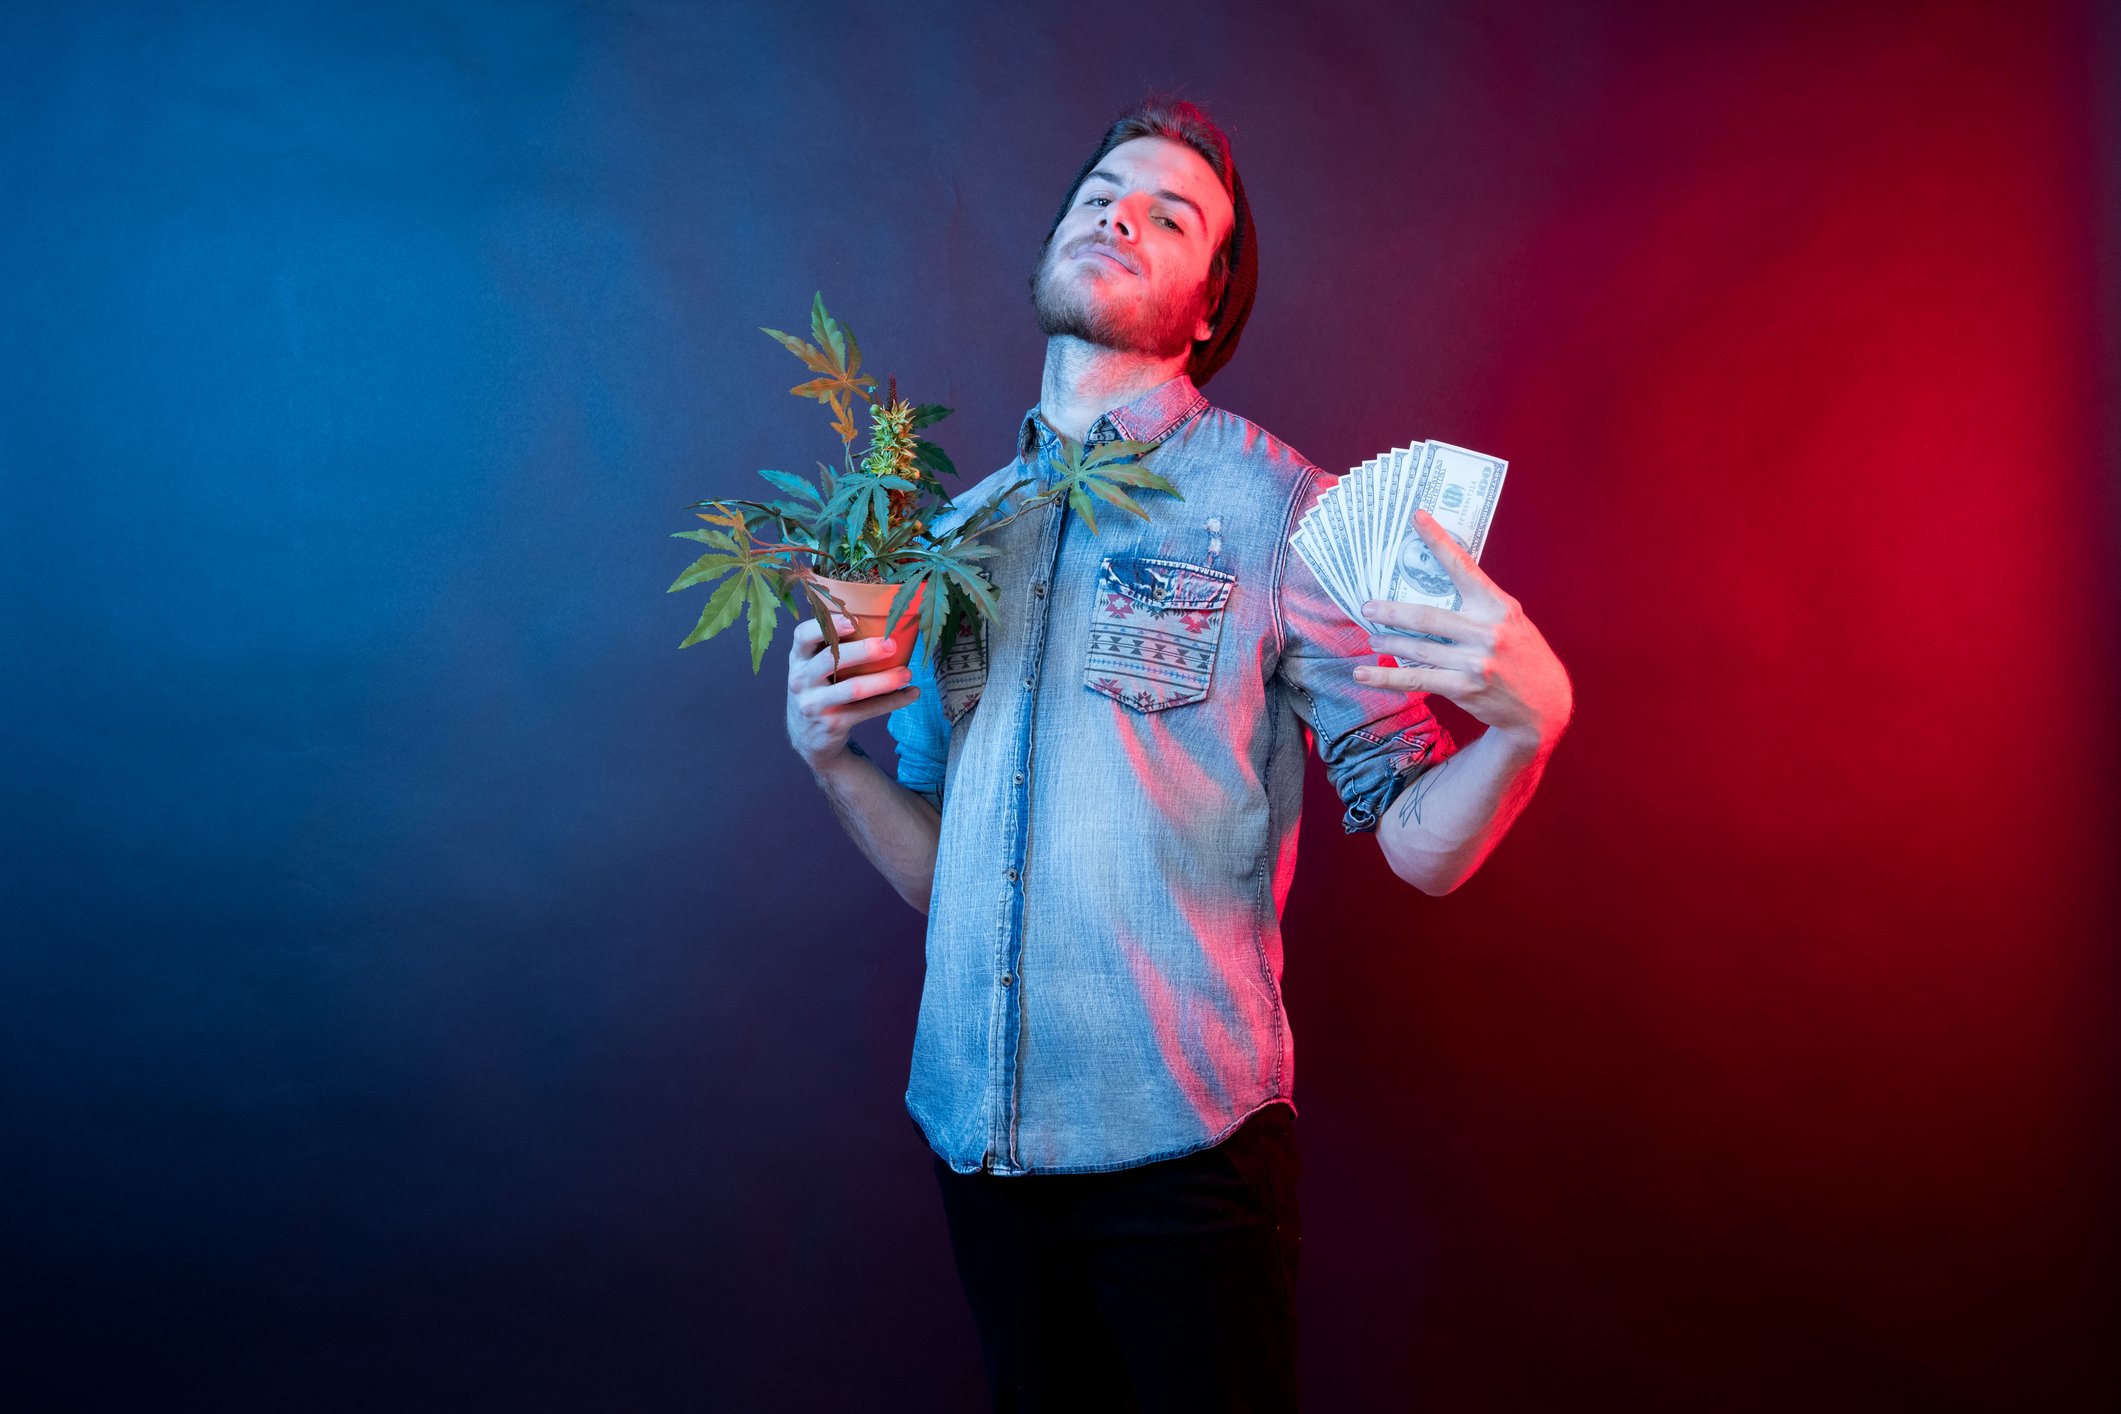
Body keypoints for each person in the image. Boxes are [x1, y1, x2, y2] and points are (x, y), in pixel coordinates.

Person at [782, 96, 1572, 1412]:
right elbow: (946, 872)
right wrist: (831, 760)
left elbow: (1419, 844)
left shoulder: (1285, 513)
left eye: (1170, 215)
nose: (1119, 217)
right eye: (1100, 195)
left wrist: (1528, 724)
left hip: (1184, 1165)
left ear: (1209, 306)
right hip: (976, 1149)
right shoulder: (952, 539)